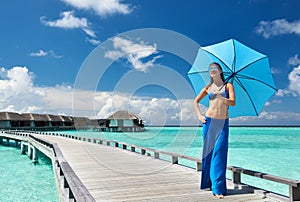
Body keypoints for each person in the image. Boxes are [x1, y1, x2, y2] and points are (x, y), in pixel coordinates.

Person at [193, 62, 235, 199]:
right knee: (208, 153)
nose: (212, 70)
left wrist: (222, 97)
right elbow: (196, 101)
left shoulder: (228, 85)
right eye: (210, 69)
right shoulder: (207, 87)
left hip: (222, 122)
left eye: (215, 68)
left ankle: (218, 188)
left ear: (220, 71)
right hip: (209, 121)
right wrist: (200, 116)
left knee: (220, 154)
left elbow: (233, 102)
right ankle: (208, 183)